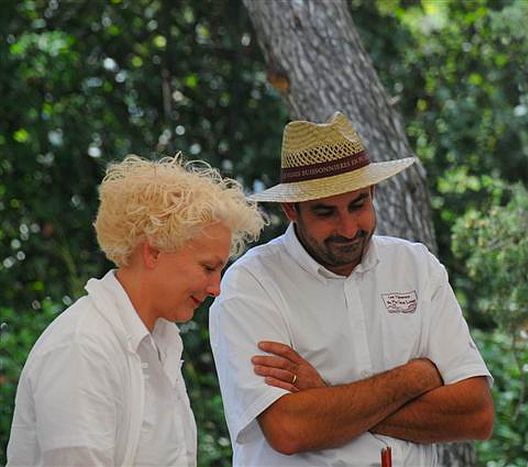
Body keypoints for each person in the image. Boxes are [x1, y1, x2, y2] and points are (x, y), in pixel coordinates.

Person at [209, 112, 494, 466]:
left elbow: (476, 415)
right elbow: (290, 429)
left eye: (358, 205)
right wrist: (414, 377)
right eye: (326, 212)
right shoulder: (252, 284)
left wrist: (326, 398)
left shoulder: (416, 266)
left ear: (372, 192)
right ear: (290, 210)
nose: (347, 228)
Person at [7, 155, 264, 466]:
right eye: (208, 267)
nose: (216, 288)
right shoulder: (84, 346)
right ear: (153, 251)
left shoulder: (158, 339)